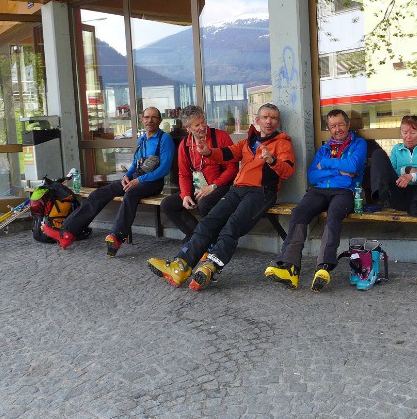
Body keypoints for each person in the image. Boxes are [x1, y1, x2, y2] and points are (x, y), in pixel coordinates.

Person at [147, 104, 295, 291]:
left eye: (273, 118)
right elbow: (228, 154)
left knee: (232, 225)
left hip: (262, 192)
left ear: (278, 122)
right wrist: (208, 152)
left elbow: (288, 170)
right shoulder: (248, 142)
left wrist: (272, 160)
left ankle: (212, 266)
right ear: (256, 120)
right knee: (209, 221)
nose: (269, 121)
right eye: (265, 117)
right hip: (238, 190)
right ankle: (181, 266)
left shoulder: (282, 143)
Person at [41, 106, 175, 257]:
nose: (150, 120)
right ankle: (67, 232)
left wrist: (138, 180)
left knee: (130, 194)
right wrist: (127, 176)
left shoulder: (165, 139)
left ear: (160, 120)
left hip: (153, 182)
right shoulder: (143, 139)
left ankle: (117, 237)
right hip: (135, 179)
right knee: (100, 193)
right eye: (147, 117)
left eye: (154, 117)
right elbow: (135, 163)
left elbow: (164, 169)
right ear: (142, 119)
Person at [264, 109, 367, 292]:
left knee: (334, 215)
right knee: (299, 212)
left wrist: (327, 164)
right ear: (328, 129)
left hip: (344, 191)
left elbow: (352, 165)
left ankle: (323, 267)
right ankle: (289, 267)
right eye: (333, 126)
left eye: (341, 124)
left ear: (348, 125)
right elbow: (312, 175)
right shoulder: (324, 149)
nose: (338, 129)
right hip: (319, 190)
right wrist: (338, 170)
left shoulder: (359, 144)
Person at [160, 106, 237, 242]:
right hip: (199, 187)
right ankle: (197, 235)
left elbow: (232, 168)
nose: (202, 127)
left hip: (221, 185)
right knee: (168, 204)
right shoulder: (184, 145)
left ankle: (214, 240)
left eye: (203, 122)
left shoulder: (220, 137)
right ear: (187, 127)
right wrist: (185, 195)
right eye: (197, 125)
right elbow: (184, 174)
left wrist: (213, 186)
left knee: (204, 203)